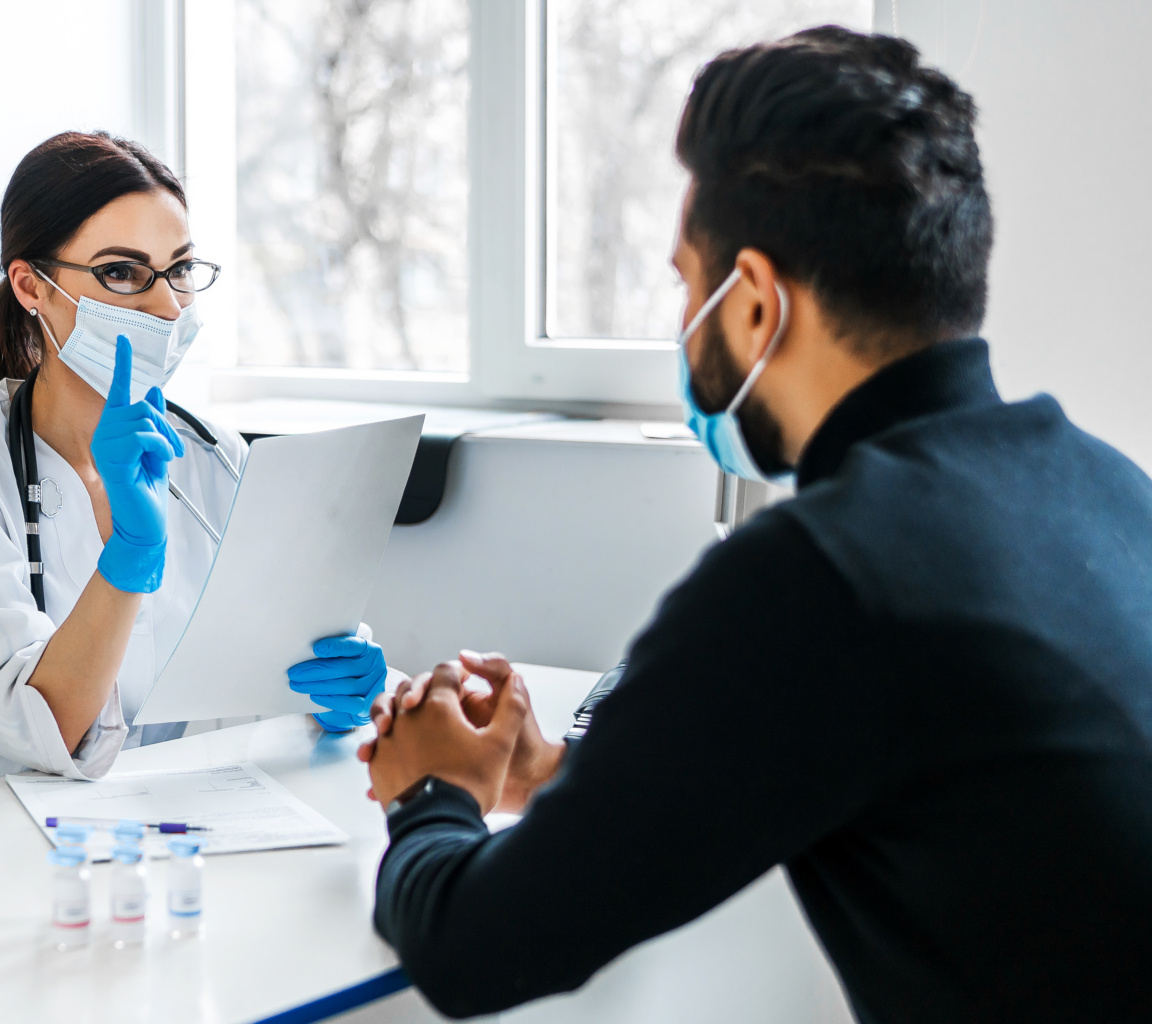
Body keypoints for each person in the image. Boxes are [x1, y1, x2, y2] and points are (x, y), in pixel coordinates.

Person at [360, 28, 1152, 1023]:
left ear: (755, 304)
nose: (683, 317)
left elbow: (474, 951)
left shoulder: (827, 568)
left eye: (686, 283)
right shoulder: (1107, 488)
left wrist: (428, 795)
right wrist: (562, 779)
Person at [0, 132, 392, 794]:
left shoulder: (217, 457)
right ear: (30, 287)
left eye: (179, 270)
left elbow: (262, 663)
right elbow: (44, 726)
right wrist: (128, 556)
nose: (166, 305)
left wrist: (339, 682)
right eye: (121, 273)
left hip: (174, 816)